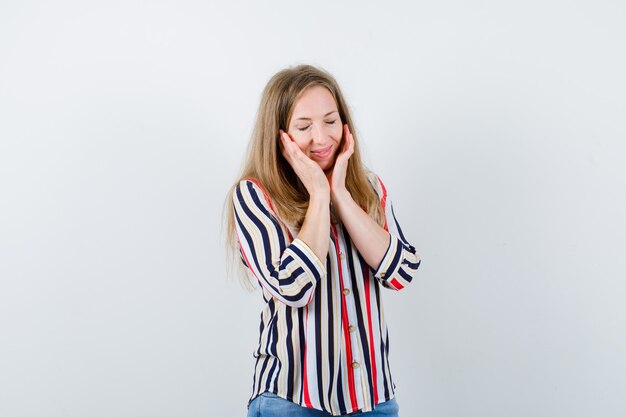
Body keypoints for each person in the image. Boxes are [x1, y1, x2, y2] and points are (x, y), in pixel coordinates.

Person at [225, 64, 421, 417]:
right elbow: (294, 287)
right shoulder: (255, 196)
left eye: (331, 121)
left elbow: (400, 272)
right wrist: (318, 194)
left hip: (373, 400)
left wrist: (341, 196)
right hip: (292, 401)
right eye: (304, 126)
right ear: (279, 134)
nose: (321, 137)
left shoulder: (369, 189)